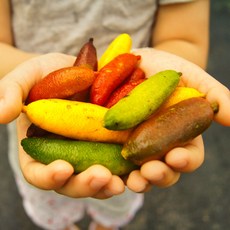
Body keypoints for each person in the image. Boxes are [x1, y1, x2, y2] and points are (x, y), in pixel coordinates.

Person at [1, 0, 229, 230]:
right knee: (52, 196)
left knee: (116, 192)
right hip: (38, 116)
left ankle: (106, 225)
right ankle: (63, 225)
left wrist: (164, 77)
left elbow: (185, 38)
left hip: (128, 140)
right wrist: (25, 78)